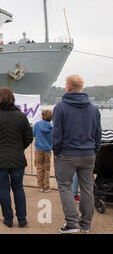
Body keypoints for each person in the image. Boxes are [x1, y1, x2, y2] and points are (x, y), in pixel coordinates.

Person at [53, 75, 101, 234]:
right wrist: (94, 149)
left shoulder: (60, 107)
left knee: (65, 186)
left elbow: (57, 134)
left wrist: (56, 151)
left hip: (66, 153)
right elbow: (97, 133)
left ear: (68, 88)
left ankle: (72, 223)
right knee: (87, 188)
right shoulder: (94, 109)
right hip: (88, 153)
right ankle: (85, 225)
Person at [0, 87, 33, 228]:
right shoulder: (21, 116)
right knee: (18, 188)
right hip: (17, 159)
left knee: (3, 189)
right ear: (12, 99)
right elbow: (29, 137)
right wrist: (19, 148)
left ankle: (8, 219)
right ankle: (22, 219)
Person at [33, 110, 53, 192]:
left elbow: (33, 134)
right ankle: (46, 186)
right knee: (47, 168)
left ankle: (40, 186)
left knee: (39, 167)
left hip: (38, 149)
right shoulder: (52, 127)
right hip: (47, 149)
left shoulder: (37, 124)